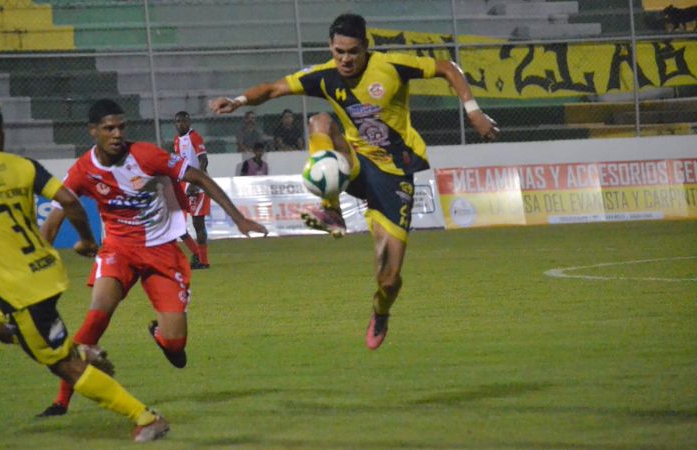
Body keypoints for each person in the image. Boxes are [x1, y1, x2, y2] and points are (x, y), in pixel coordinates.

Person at [210, 13, 499, 350]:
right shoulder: (325, 76)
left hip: (394, 176)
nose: (345, 59)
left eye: (353, 51)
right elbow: (274, 89)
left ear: (366, 48)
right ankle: (331, 209)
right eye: (338, 51)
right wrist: (239, 101)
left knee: (388, 279)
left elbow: (448, 67)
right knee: (320, 121)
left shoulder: (391, 66)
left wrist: (474, 111)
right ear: (331, 48)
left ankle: (380, 310)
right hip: (356, 164)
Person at [0, 95, 169, 442]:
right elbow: (69, 202)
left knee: (62, 365)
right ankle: (77, 350)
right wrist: (88, 241)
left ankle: (145, 416)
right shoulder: (22, 166)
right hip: (41, 270)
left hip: (22, 288)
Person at [36, 99, 267, 417]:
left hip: (162, 252)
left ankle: (161, 335)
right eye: (108, 129)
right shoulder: (83, 170)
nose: (117, 134)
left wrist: (238, 219)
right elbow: (54, 217)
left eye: (121, 127)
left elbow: (197, 177)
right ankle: (61, 401)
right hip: (118, 250)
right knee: (96, 317)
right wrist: (37, 265)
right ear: (93, 132)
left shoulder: (146, 155)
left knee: (176, 349)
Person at [173, 111, 211, 269]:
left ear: (189, 122)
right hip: (182, 185)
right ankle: (196, 253)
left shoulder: (194, 137)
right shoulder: (176, 140)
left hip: (197, 186)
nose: (180, 124)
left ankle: (203, 261)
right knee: (178, 225)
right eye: (178, 121)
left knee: (198, 224)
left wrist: (197, 182)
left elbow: (204, 160)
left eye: (183, 121)